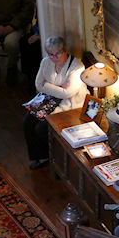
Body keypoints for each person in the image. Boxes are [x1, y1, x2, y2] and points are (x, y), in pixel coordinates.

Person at [23, 36, 87, 170]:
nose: (54, 57)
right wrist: (58, 88)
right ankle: (40, 156)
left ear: (65, 51)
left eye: (58, 53)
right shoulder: (46, 62)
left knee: (41, 128)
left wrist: (48, 85)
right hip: (48, 101)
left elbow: (68, 94)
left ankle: (55, 157)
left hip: (69, 105)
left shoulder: (77, 67)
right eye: (51, 54)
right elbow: (38, 84)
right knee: (27, 122)